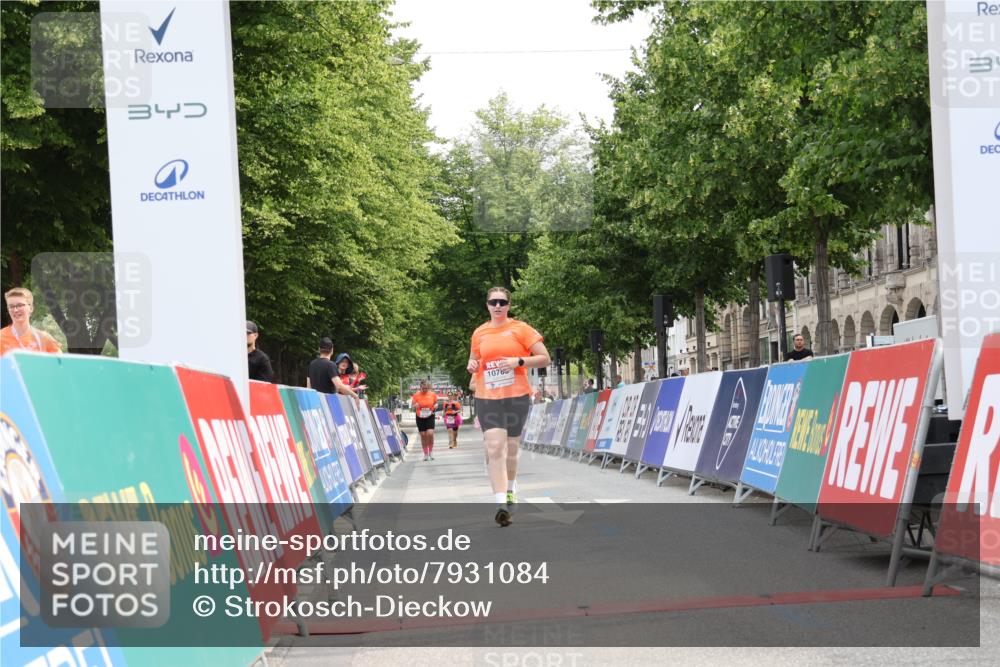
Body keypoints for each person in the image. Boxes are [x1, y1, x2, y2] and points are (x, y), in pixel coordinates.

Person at [467, 286, 550, 527]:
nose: (498, 306)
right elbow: (474, 360)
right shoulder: (479, 332)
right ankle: (501, 504)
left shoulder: (520, 329)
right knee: (494, 448)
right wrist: (472, 365)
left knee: (511, 449)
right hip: (487, 396)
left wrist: (518, 361)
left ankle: (511, 489)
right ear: (487, 305)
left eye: (502, 302)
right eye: (493, 302)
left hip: (516, 396)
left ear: (509, 305)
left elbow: (545, 357)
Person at [1, 288, 61, 356]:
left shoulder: (43, 338)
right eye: (11, 306)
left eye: (20, 305)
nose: (15, 310)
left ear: (31, 308)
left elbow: (61, 364)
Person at [410, 380, 438, 461]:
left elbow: (436, 403)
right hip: (420, 416)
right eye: (423, 388)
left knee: (430, 433)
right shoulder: (416, 395)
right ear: (420, 387)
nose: (425, 390)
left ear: (428, 387)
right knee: (423, 435)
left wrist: (436, 405)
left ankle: (431, 452)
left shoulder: (432, 394)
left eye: (426, 388)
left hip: (430, 415)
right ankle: (425, 453)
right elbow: (412, 406)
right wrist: (415, 405)